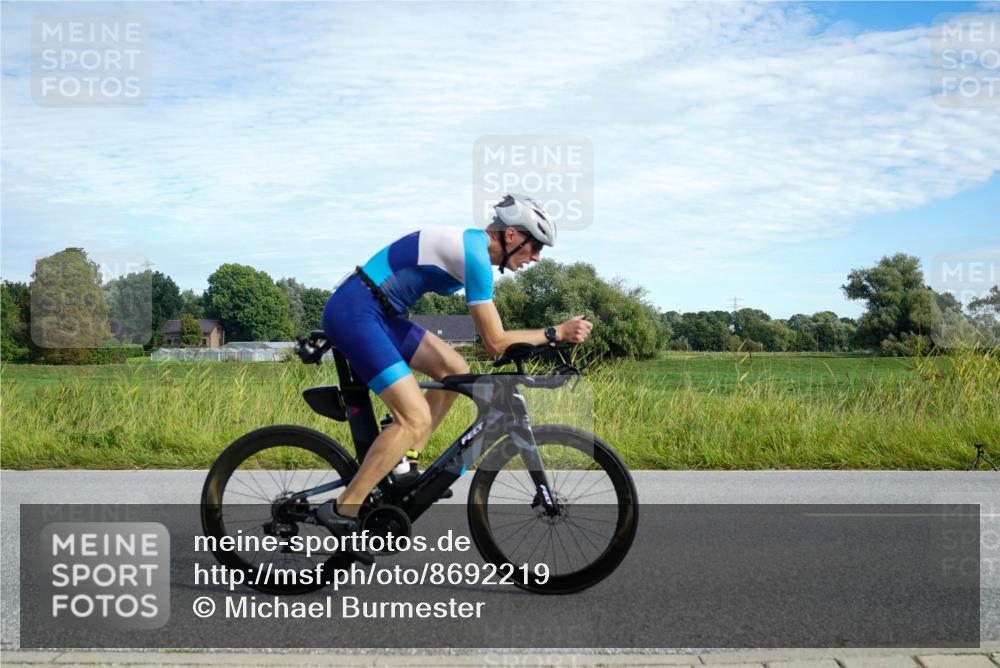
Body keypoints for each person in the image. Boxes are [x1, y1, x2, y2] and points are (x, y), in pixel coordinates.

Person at [317, 193, 593, 538]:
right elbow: (494, 342)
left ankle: (404, 456)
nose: (536, 258)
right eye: (535, 246)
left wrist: (548, 339)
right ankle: (345, 507)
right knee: (413, 415)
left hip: (379, 313)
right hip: (356, 312)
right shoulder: (475, 255)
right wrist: (556, 332)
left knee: (454, 370)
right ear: (511, 236)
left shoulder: (474, 250)